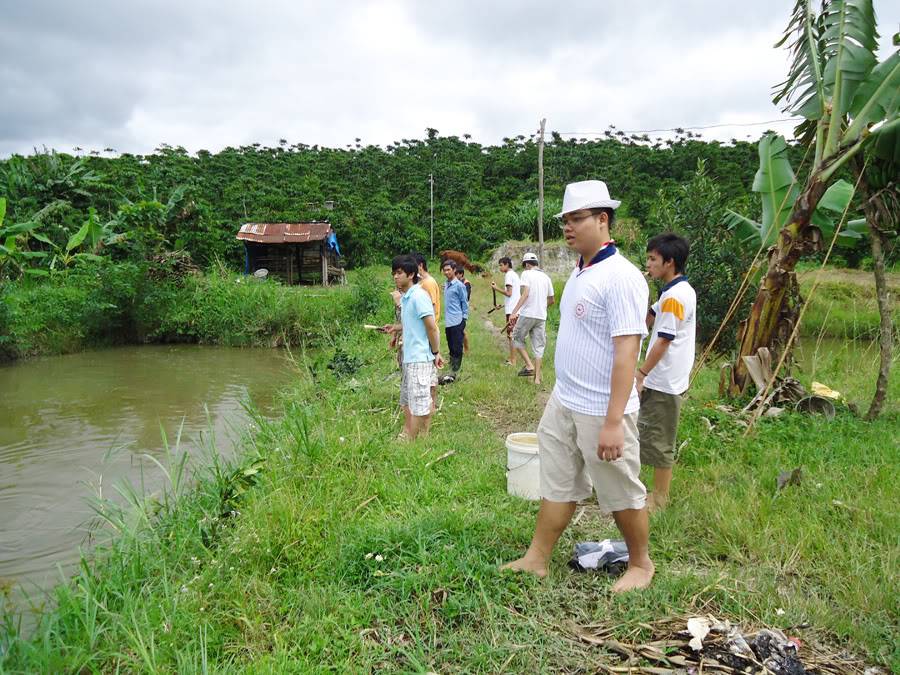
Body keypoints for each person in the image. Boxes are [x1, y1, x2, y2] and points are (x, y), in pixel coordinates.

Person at [502, 179, 654, 593]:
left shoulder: (622, 277)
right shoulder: (581, 270)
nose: (568, 227)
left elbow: (627, 352)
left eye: (577, 218)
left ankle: (640, 564)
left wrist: (612, 421)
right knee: (559, 480)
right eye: (565, 220)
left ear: (602, 220)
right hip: (565, 400)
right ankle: (537, 558)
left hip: (603, 408)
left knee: (621, 489)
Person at [636, 233, 696, 512]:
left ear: (669, 262)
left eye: (652, 259)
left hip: (664, 379)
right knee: (643, 432)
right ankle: (640, 489)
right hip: (662, 377)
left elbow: (663, 340)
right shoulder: (671, 292)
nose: (648, 264)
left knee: (660, 442)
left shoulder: (675, 297)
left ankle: (659, 498)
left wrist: (641, 373)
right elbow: (649, 315)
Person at [382, 255, 444, 440]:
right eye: (393, 273)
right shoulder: (407, 298)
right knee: (409, 401)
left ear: (411, 274)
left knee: (419, 404)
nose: (395, 277)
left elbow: (431, 327)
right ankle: (415, 436)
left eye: (399, 273)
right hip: (410, 357)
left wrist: (435, 352)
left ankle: (412, 441)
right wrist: (396, 328)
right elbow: (413, 323)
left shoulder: (418, 296)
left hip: (420, 357)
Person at [508, 252, 555, 385]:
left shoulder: (526, 273)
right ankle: (537, 379)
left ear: (527, 264)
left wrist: (514, 312)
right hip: (541, 316)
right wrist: (540, 306)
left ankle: (529, 365)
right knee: (539, 346)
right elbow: (552, 300)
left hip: (528, 313)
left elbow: (526, 293)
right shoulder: (546, 277)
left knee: (516, 336)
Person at [440, 260, 469, 383]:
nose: (446, 272)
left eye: (449, 270)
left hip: (457, 320)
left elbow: (464, 302)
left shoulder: (459, 285)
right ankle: (452, 367)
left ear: (454, 270)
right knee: (451, 345)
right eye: (444, 270)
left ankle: (455, 371)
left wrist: (464, 319)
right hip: (449, 321)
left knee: (457, 346)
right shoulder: (446, 284)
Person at [490, 257, 520, 366]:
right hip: (515, 308)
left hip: (512, 311)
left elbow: (509, 293)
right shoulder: (515, 275)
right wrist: (502, 306)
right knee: (512, 334)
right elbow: (515, 296)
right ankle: (512, 358)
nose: (500, 267)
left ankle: (513, 360)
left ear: (507, 264)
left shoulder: (508, 275)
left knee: (511, 335)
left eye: (501, 265)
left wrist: (496, 288)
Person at [413, 252, 441, 319]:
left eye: (413, 266)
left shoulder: (429, 283)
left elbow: (432, 307)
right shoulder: (421, 281)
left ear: (420, 265)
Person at [454, 267, 472, 353]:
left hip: (462, 310)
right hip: (457, 309)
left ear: (461, 274)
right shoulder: (457, 283)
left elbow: (466, 298)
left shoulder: (466, 283)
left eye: (456, 274)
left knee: (461, 330)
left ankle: (466, 349)